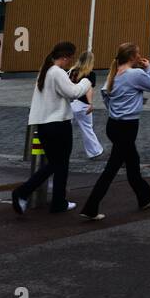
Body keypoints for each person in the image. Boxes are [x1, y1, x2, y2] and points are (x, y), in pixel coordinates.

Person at [80, 42, 150, 221]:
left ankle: (145, 197)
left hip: (113, 124)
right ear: (133, 57)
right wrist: (149, 68)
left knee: (133, 163)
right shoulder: (135, 74)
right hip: (127, 126)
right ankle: (90, 206)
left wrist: (115, 110)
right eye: (138, 53)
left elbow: (105, 95)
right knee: (111, 169)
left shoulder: (114, 73)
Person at [13, 41, 90, 216]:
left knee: (55, 163)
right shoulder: (57, 72)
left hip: (44, 124)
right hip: (59, 124)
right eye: (70, 58)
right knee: (60, 164)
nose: (71, 62)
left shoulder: (46, 71)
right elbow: (73, 92)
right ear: (64, 57)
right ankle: (26, 192)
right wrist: (86, 82)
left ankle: (57, 201)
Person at [68, 51, 103, 160]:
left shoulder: (71, 71)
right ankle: (95, 152)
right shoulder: (90, 73)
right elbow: (89, 89)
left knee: (65, 128)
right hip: (82, 104)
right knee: (87, 128)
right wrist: (90, 103)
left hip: (69, 104)